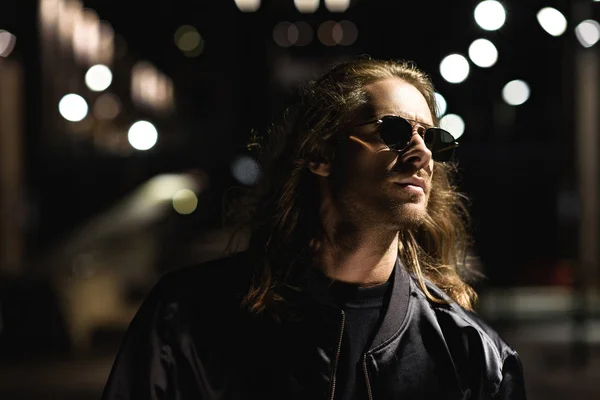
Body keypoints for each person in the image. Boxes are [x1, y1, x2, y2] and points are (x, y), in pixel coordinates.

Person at [101, 57, 527, 400]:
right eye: (395, 131)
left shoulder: (476, 359)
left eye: (432, 138)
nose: (421, 153)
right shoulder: (187, 319)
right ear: (320, 154)